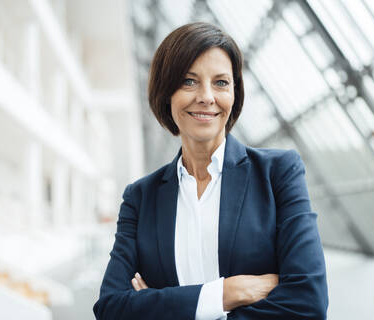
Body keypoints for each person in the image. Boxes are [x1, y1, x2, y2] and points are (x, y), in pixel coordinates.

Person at [93, 22, 328, 320]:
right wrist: (225, 294)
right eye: (189, 82)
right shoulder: (140, 198)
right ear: (166, 93)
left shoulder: (278, 173)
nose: (206, 96)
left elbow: (308, 305)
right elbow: (111, 309)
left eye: (221, 83)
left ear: (235, 94)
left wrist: (159, 305)